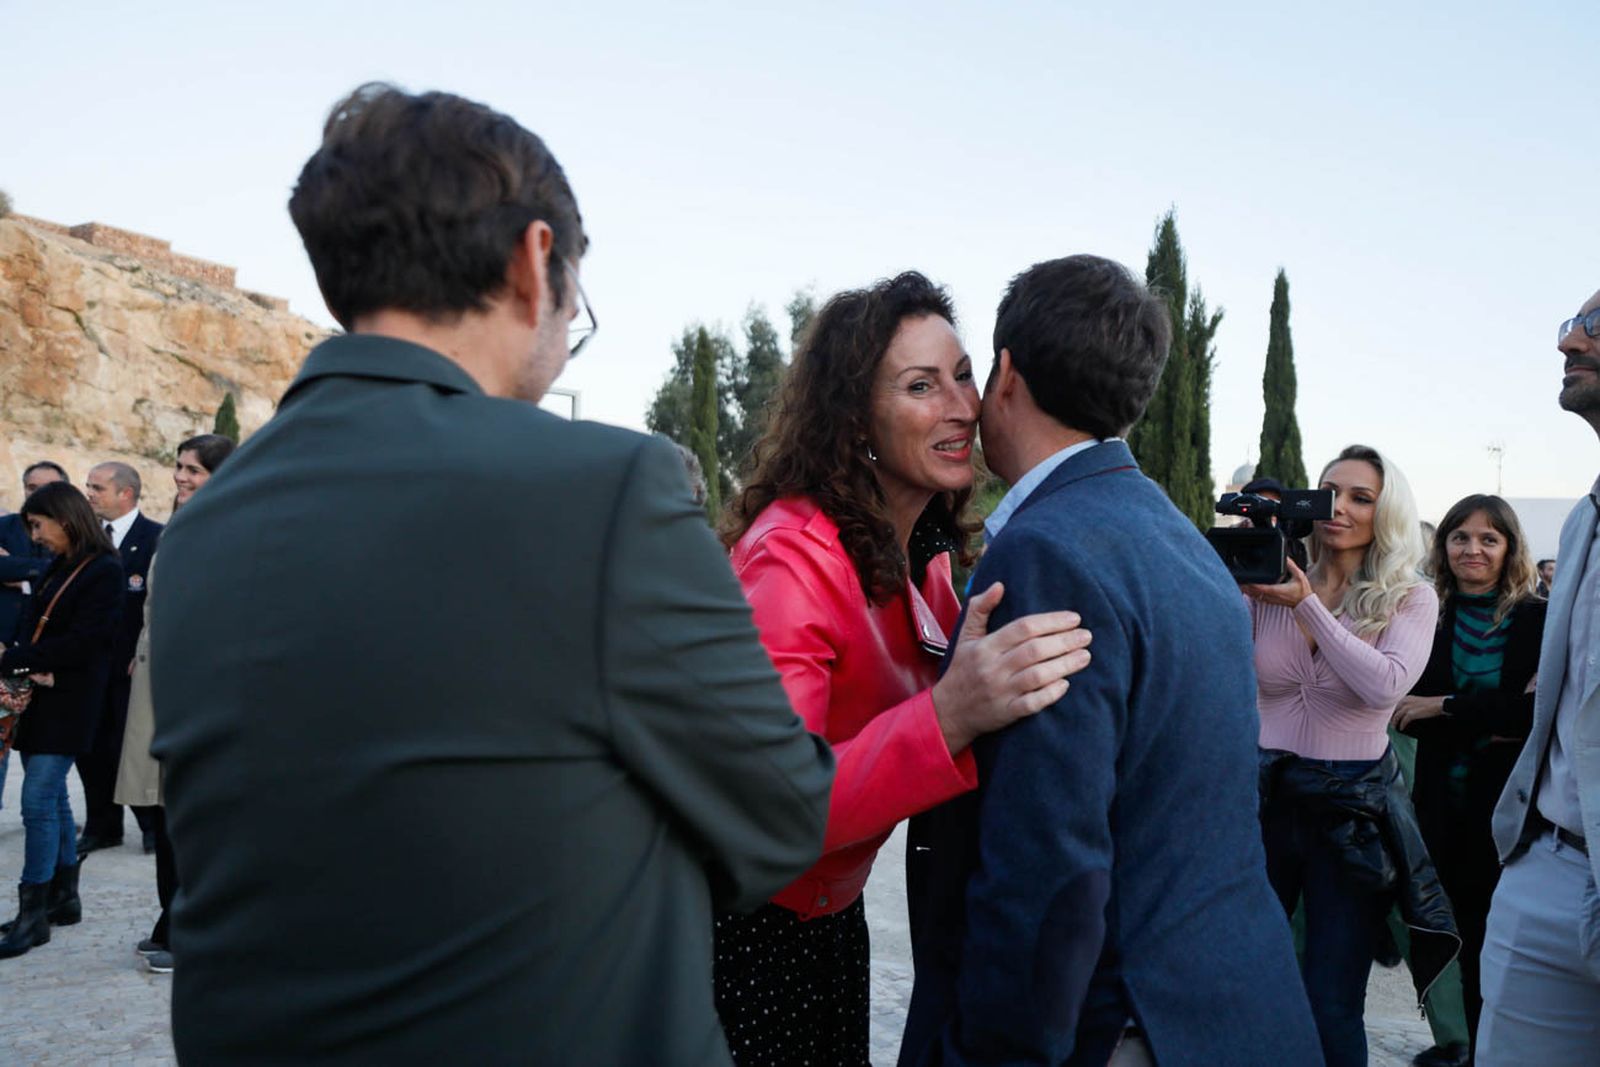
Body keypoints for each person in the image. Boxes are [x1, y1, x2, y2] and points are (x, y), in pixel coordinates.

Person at [149, 83, 835, 1065]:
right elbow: (780, 817)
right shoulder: (605, 489)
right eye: (578, 299)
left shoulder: (202, 528)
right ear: (533, 260)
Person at [899, 255, 1320, 1067]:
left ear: (1007, 373)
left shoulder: (1048, 553)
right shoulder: (1178, 540)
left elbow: (1045, 865)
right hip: (1233, 1012)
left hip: (1128, 1025)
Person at [715, 271, 1093, 1065]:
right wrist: (951, 712)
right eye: (922, 385)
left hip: (829, 925)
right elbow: (767, 807)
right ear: (855, 417)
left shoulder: (927, 560)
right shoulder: (791, 558)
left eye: (964, 375)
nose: (962, 406)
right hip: (741, 934)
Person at [1248, 444, 1457, 1067]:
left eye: (1361, 498)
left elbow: (1384, 686)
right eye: (1328, 492)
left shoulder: (1410, 598)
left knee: (1331, 996)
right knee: (1245, 977)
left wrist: (1306, 605)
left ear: (1385, 513)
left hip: (1351, 810)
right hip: (1264, 797)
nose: (1338, 507)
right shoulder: (1266, 580)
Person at [1479, 290, 1600, 1064]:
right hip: (1549, 869)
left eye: (1595, 326)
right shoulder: (1583, 520)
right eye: (1570, 326)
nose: (1569, 344)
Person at [1390, 495, 1546, 1061]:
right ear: (1444, 546)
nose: (1472, 549)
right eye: (1460, 537)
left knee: (1496, 949)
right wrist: (1490, 713)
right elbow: (1403, 709)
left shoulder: (1538, 619)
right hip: (1439, 807)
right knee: (1450, 941)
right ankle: (1460, 1046)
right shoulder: (1426, 614)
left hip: (1507, 815)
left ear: (1509, 548)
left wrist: (1446, 706)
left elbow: (1533, 715)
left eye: (1488, 539)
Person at [114, 434, 236, 975]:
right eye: (180, 466)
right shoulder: (184, 525)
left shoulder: (227, 530)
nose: (181, 476)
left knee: (189, 815)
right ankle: (173, 919)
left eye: (195, 470)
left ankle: (191, 931)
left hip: (194, 689)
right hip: (159, 683)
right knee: (163, 810)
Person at [0, 481, 123, 959]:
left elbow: (91, 640)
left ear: (65, 520)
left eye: (38, 525)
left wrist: (17, 659)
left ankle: (32, 913)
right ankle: (64, 898)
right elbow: (35, 622)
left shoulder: (103, 569)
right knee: (53, 799)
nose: (35, 537)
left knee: (36, 802)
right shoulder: (60, 564)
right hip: (43, 697)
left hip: (71, 700)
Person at [78, 461, 162, 854]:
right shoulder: (86, 539)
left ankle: (151, 825)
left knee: (132, 745)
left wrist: (144, 650)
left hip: (132, 666)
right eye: (89, 486)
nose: (90, 494)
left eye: (97, 487)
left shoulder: (156, 538)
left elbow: (158, 603)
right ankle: (102, 825)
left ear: (125, 493)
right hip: (90, 665)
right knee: (92, 747)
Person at [0, 461, 67, 808]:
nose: (36, 494)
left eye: (46, 488)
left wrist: (21, 573)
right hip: (5, 655)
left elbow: (67, 574)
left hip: (47, 661)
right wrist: (41, 573)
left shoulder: (71, 535)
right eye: (30, 487)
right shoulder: (5, 527)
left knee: (43, 761)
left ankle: (57, 825)